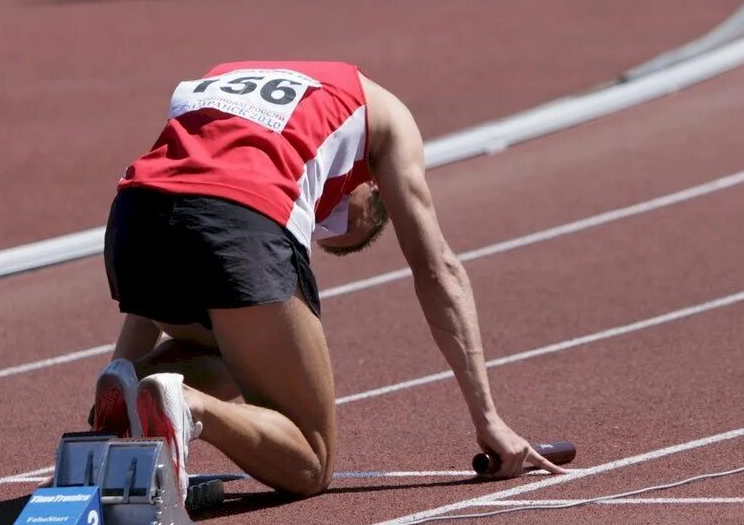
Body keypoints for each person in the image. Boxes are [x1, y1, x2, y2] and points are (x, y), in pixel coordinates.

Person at [95, 61, 567, 499]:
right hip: (240, 223)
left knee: (233, 350)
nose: (324, 219)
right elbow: (436, 267)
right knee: (311, 461)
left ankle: (145, 390)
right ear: (374, 185)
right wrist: (487, 417)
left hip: (133, 221)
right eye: (342, 217)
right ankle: (190, 405)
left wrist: (115, 405)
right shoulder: (388, 118)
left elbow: (147, 303)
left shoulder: (235, 79)